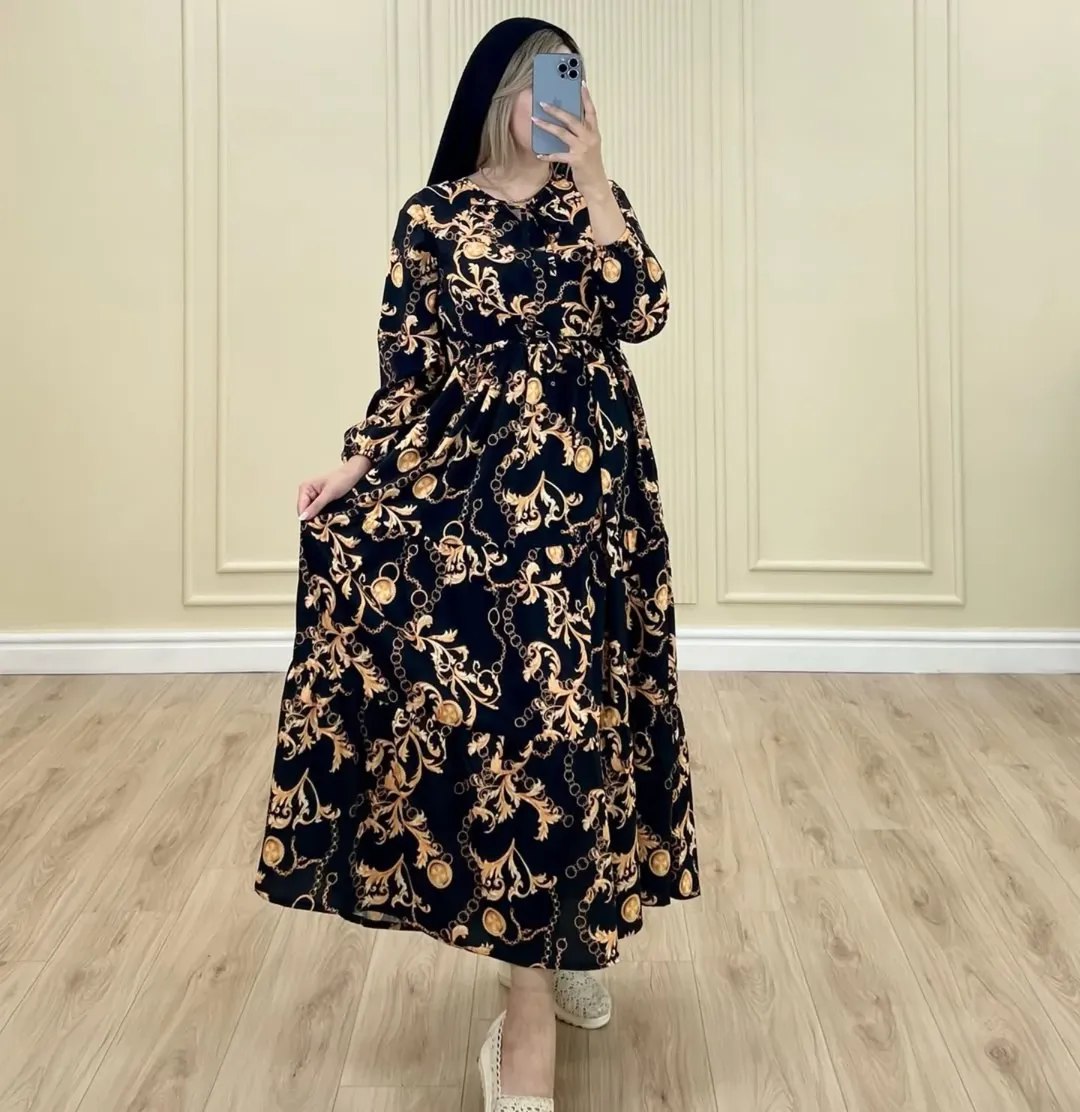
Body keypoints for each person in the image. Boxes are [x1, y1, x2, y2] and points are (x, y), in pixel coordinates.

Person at [253, 17, 699, 1111]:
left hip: (591, 503)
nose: (560, 100)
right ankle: (530, 1006)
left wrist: (595, 178)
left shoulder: (593, 202)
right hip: (477, 496)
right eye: (543, 83)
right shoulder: (433, 216)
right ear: (501, 94)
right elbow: (408, 367)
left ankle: (567, 936)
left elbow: (644, 310)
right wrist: (355, 465)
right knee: (518, 728)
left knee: (583, 718)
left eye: (571, 81)